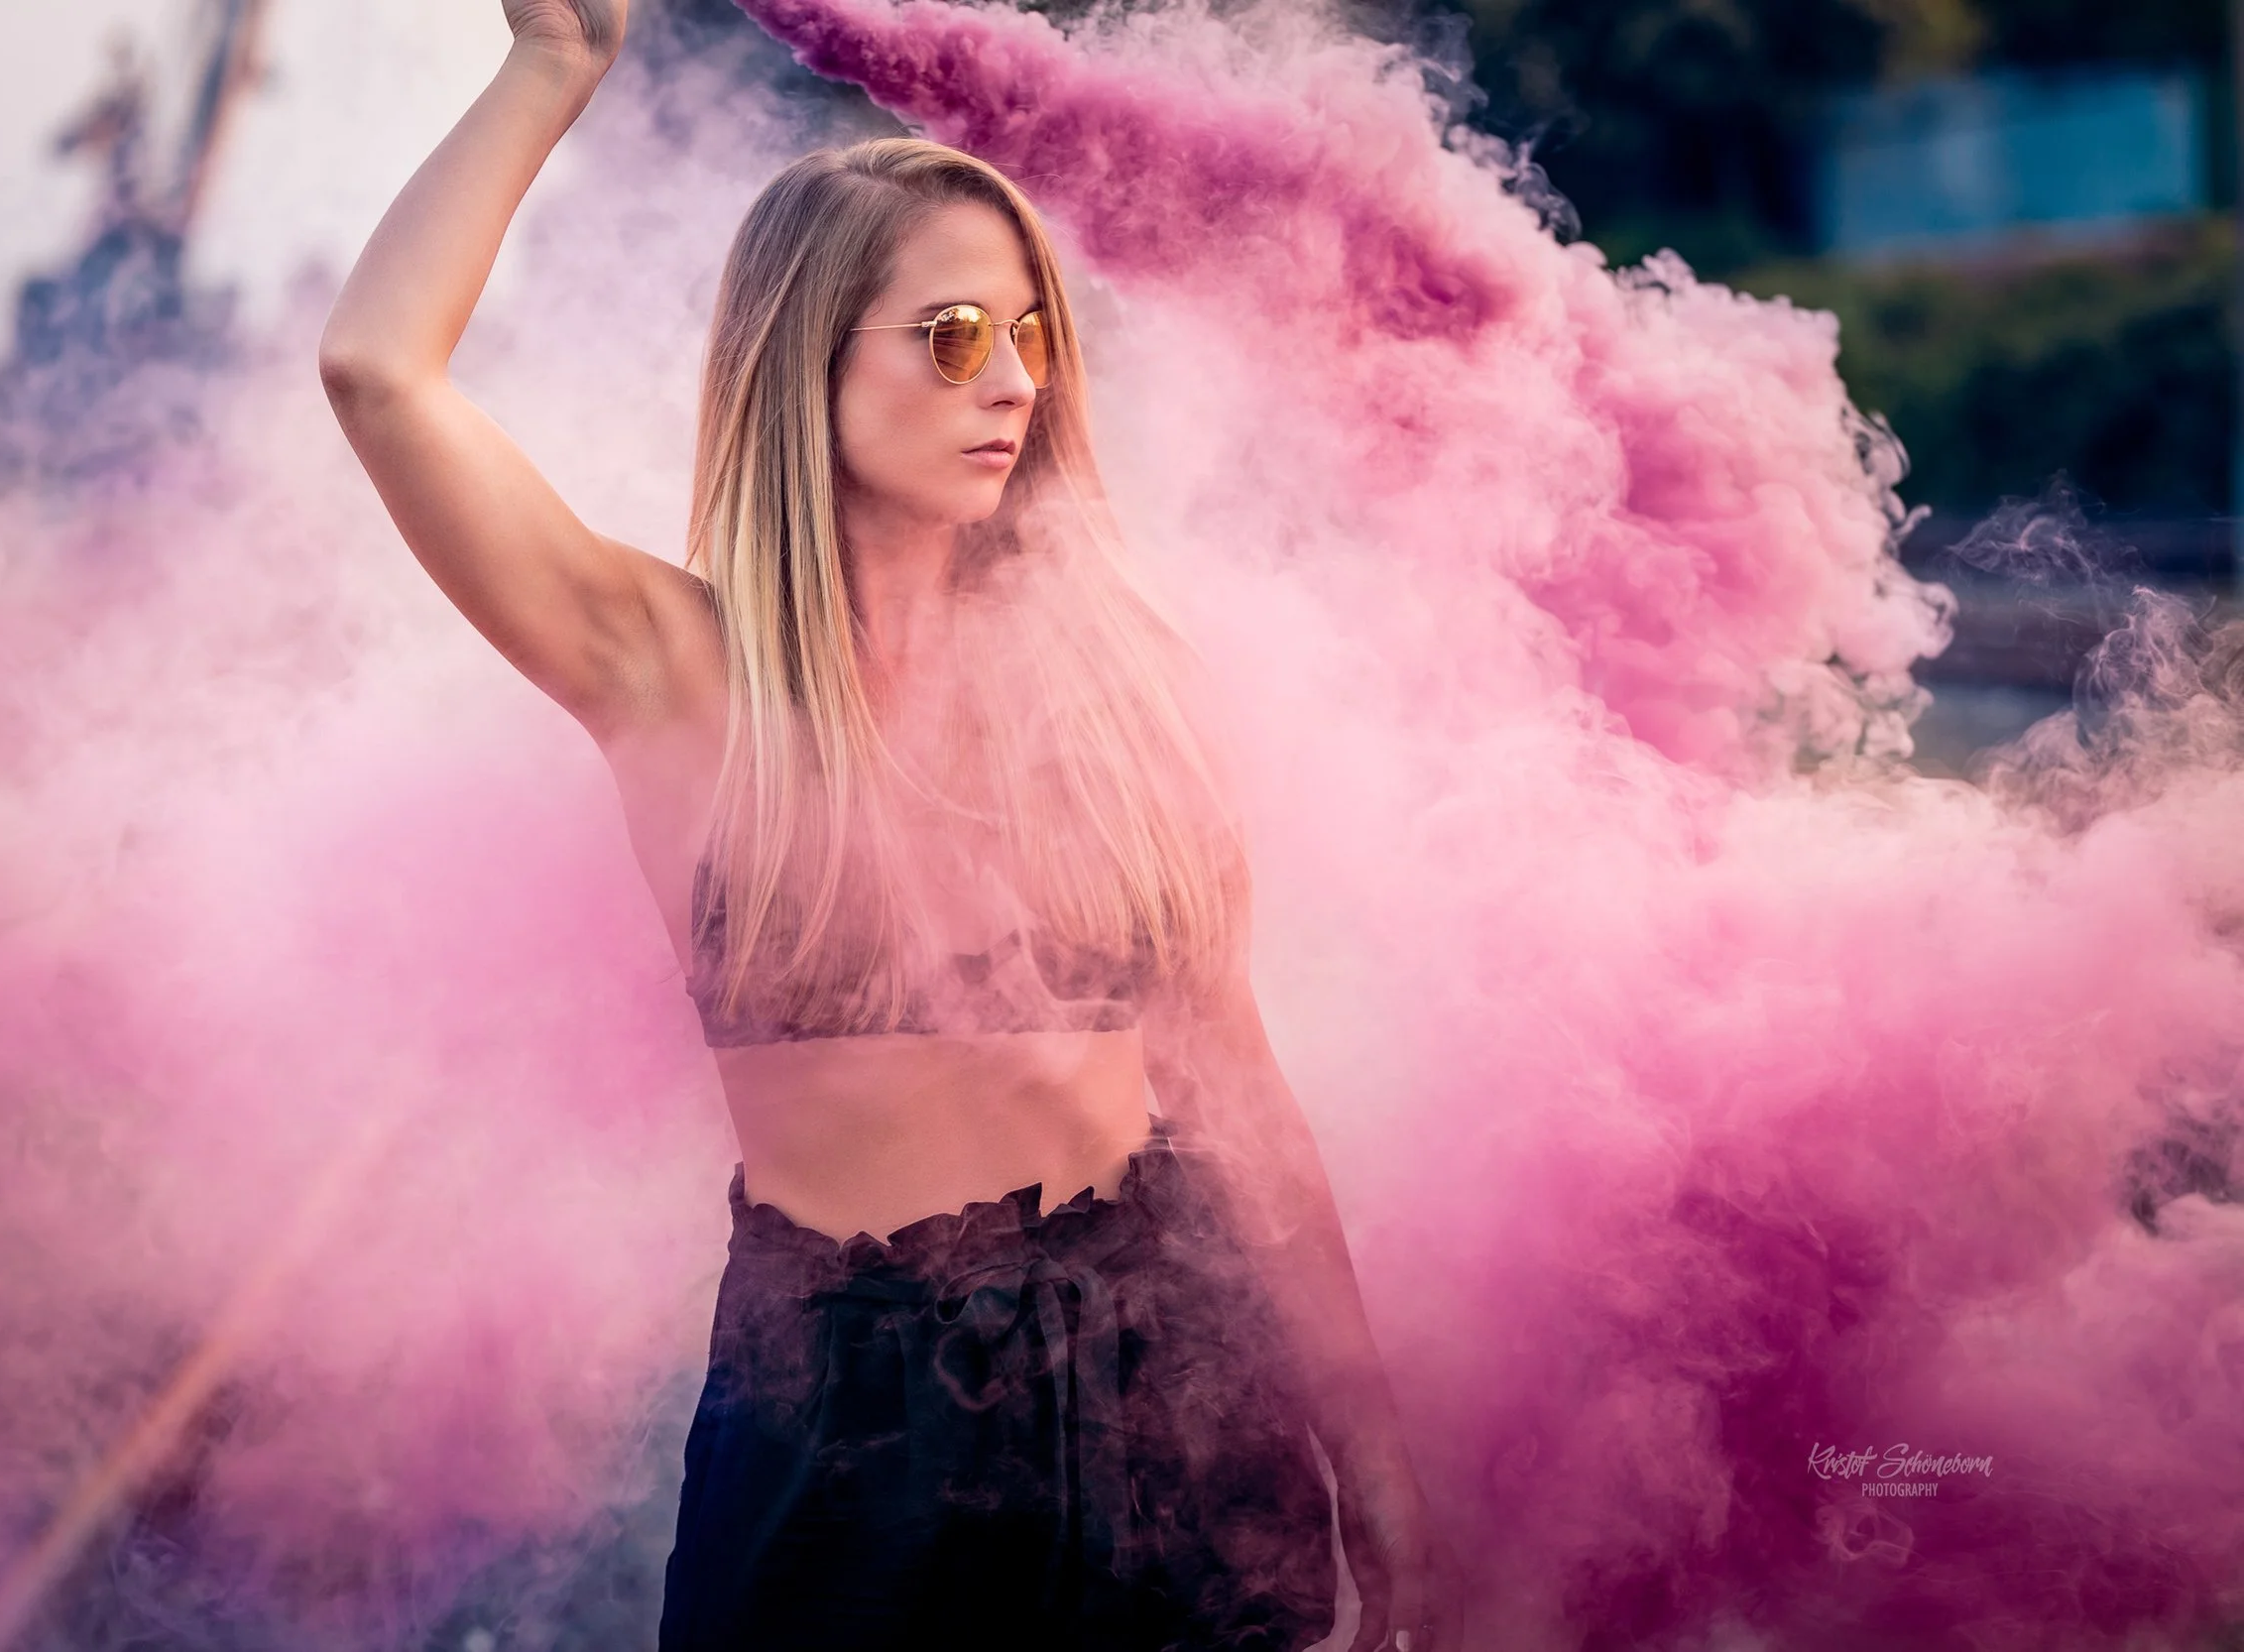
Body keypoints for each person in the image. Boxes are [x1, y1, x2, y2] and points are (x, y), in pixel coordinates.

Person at [316, 2, 1467, 1648]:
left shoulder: (1113, 683)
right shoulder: (671, 672)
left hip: (1173, 1400)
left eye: (1028, 333)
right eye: (946, 337)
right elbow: (376, 372)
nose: (1007, 382)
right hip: (842, 1437)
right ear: (808, 355)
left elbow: (1244, 1099)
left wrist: (1371, 1453)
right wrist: (550, 71)